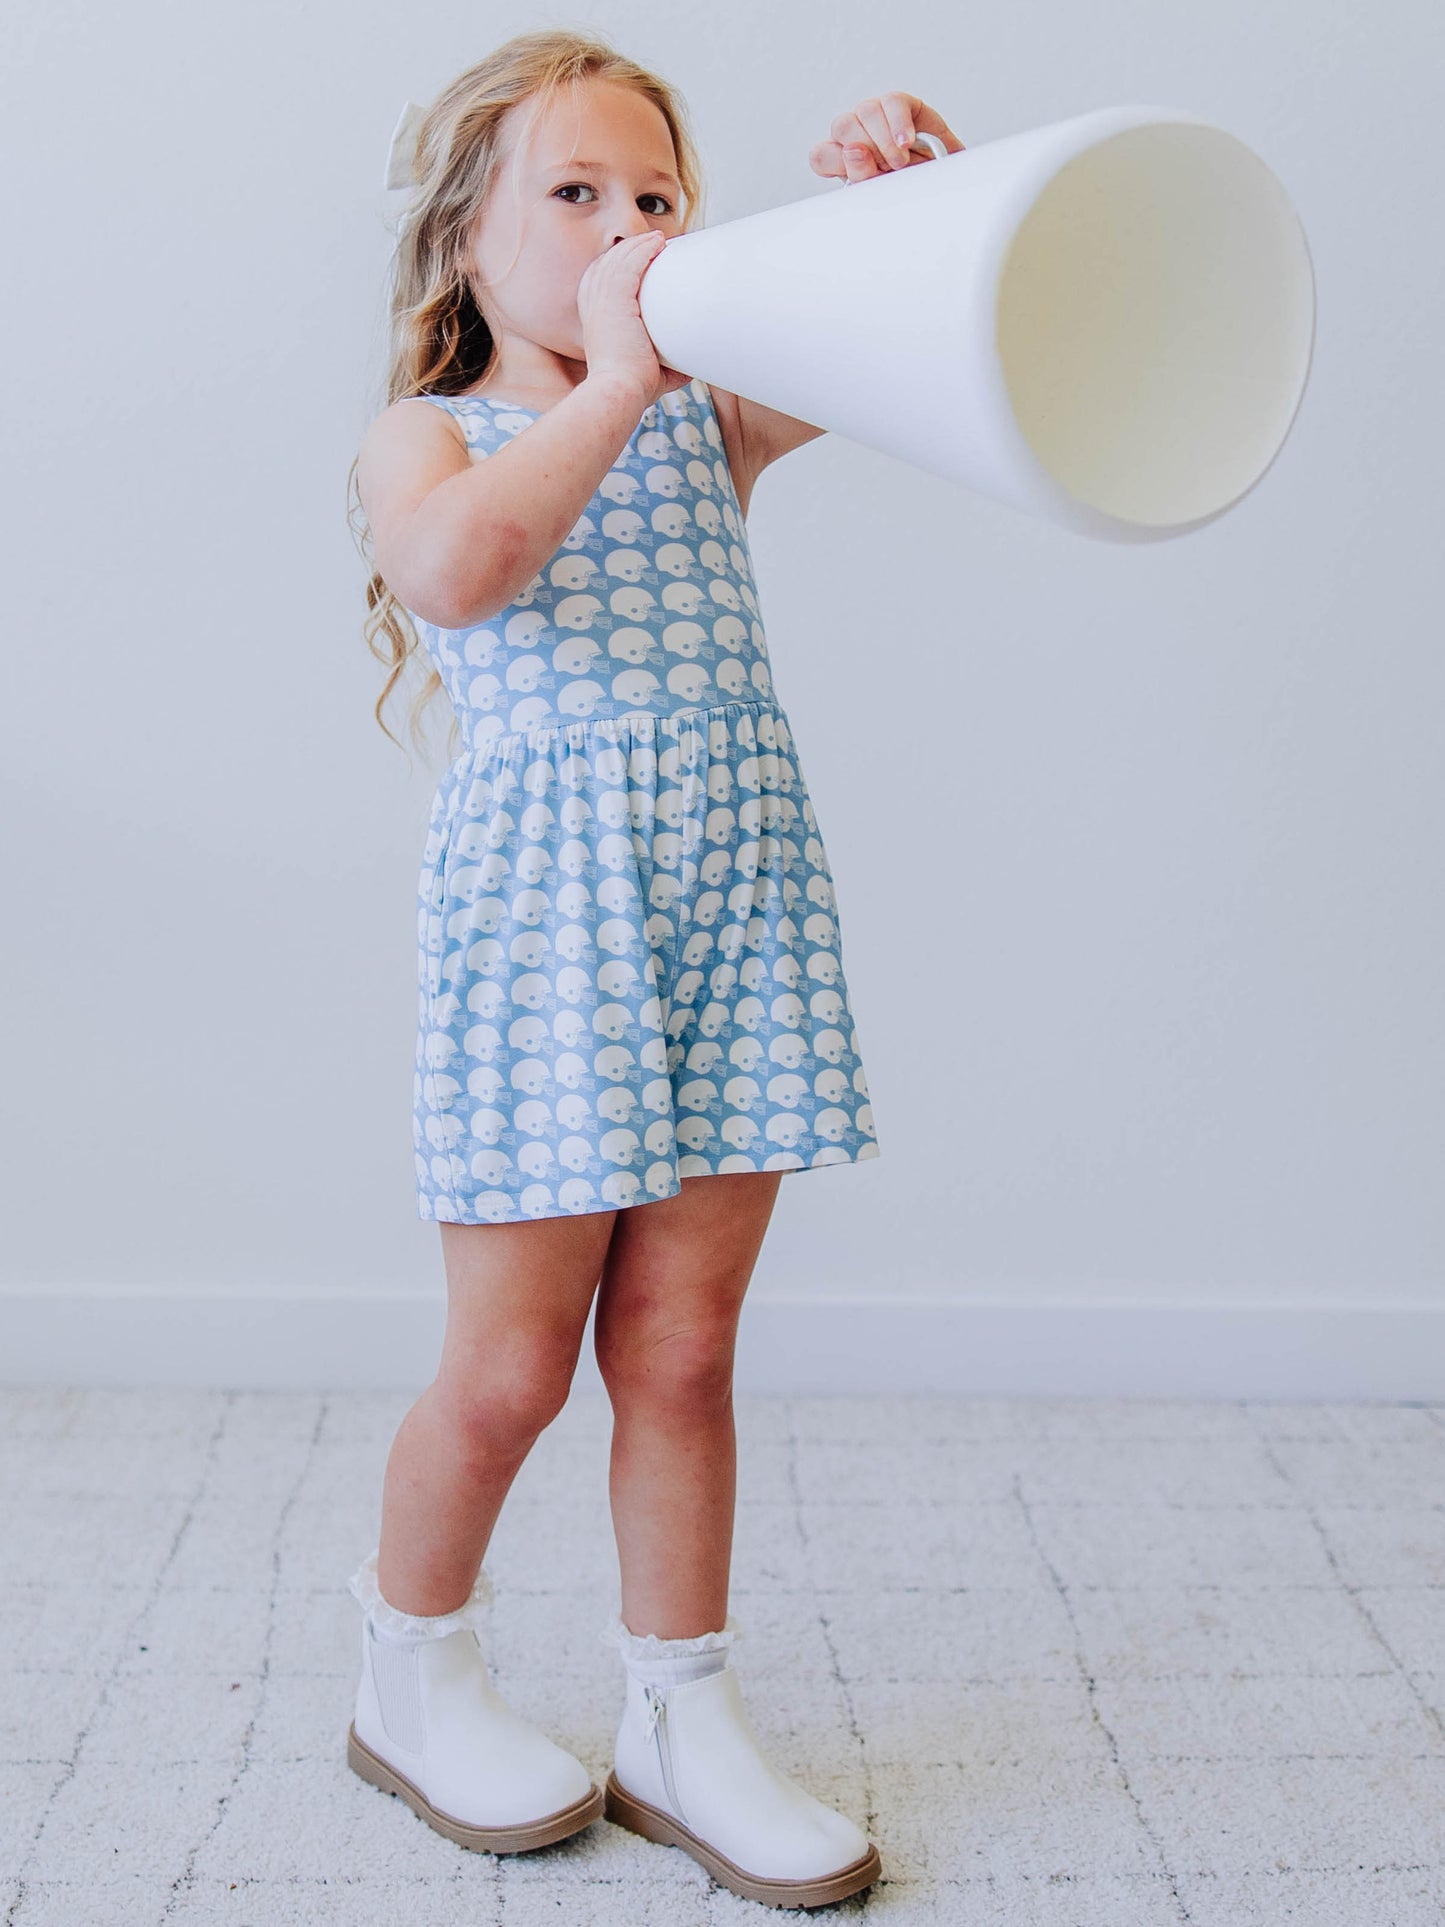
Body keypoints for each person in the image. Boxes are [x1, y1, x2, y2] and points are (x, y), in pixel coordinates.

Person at [344, 27, 963, 1911]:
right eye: (575, 194)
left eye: (658, 197)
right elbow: (458, 572)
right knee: (512, 1367)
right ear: (466, 240)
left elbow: (887, 340)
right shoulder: (435, 431)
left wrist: (891, 201)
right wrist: (614, 373)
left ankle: (678, 1716)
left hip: (732, 901)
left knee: (681, 1351)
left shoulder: (710, 407)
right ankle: (412, 1668)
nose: (627, 228)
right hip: (552, 932)